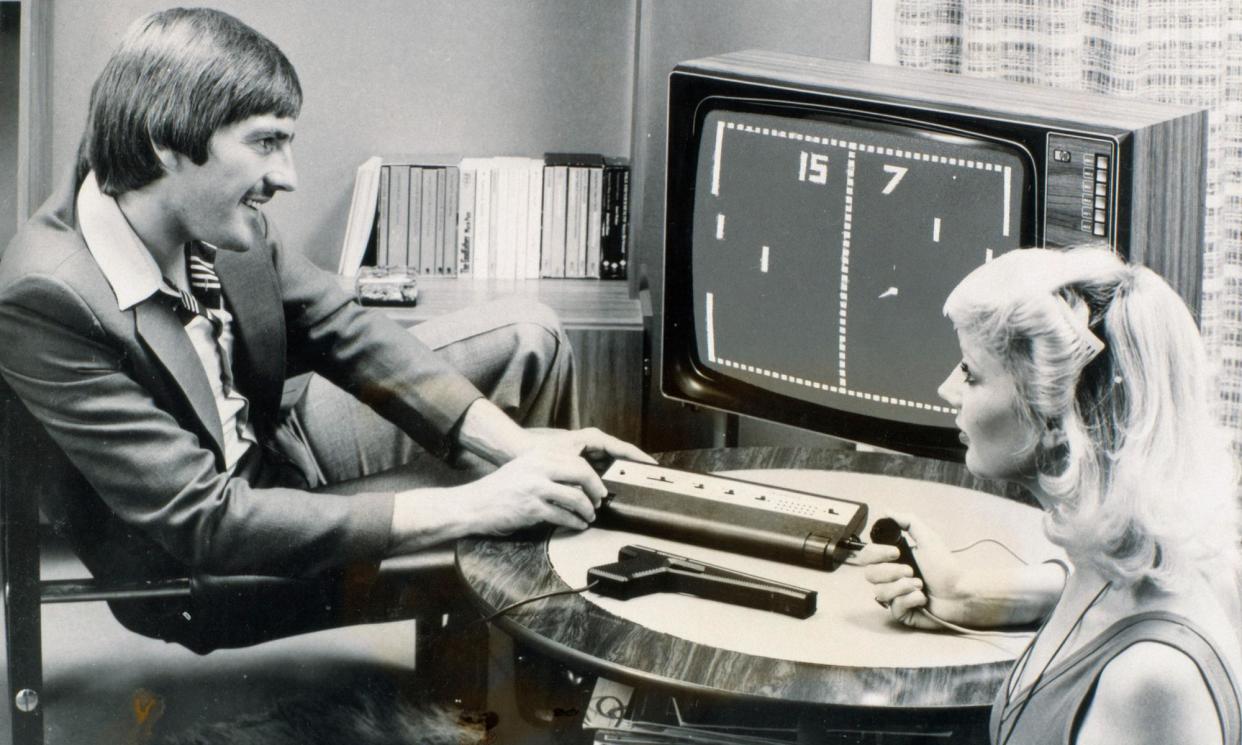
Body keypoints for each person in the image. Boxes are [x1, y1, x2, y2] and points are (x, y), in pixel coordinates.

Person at [0, 7, 650, 654]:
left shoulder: (202, 204)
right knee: (505, 510)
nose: (288, 177)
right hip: (211, 553)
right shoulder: (47, 297)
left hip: (279, 441)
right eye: (264, 142)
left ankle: (480, 650)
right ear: (164, 143)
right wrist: (486, 501)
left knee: (528, 337)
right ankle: (515, 674)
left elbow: (346, 329)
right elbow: (207, 520)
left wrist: (520, 451)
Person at [859, 246, 1242, 745]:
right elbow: (1103, 600)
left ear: (1059, 421)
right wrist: (969, 594)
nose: (947, 389)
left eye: (972, 373)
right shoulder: (1158, 562)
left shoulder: (1150, 683)